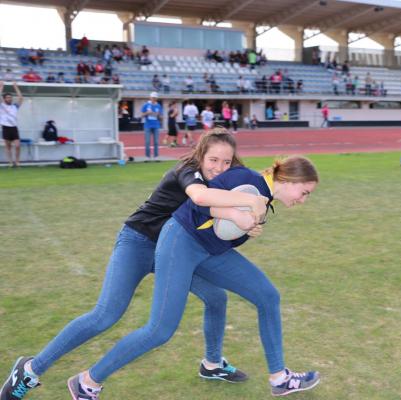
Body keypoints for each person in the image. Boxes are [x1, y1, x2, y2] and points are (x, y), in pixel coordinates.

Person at [1, 132, 270, 400]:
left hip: (175, 251)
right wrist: (247, 204)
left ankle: (212, 364)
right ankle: (30, 370)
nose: (219, 168)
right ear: (200, 154)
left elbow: (226, 210)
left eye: (226, 162)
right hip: (139, 242)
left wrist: (248, 222)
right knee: (105, 314)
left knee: (216, 297)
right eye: (213, 159)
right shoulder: (187, 171)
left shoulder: (223, 180)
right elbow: (200, 198)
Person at [62, 156, 320, 399]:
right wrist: (234, 215)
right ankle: (87, 381)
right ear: (288, 180)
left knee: (266, 295)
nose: (304, 200)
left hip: (207, 251)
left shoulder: (263, 200)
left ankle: (276, 377)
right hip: (180, 243)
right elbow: (199, 202)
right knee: (159, 330)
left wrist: (245, 228)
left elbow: (221, 233)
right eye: (304, 193)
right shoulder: (247, 179)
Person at [0, 82, 24, 167]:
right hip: (6, 127)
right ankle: (10, 162)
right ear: (4, 99)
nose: (9, 99)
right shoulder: (2, 106)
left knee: (17, 145)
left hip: (14, 128)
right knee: (8, 146)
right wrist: (1, 86)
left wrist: (15, 87)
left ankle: (17, 162)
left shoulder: (15, 106)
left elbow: (21, 98)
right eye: (7, 98)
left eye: (10, 97)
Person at [141, 92, 162, 161]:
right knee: (147, 141)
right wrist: (147, 113)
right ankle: (148, 156)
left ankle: (156, 156)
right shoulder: (146, 105)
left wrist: (159, 115)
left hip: (156, 125)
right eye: (153, 97)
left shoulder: (158, 106)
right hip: (147, 125)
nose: (154, 99)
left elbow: (161, 117)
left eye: (155, 98)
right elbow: (141, 115)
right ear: (150, 97)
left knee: (156, 141)